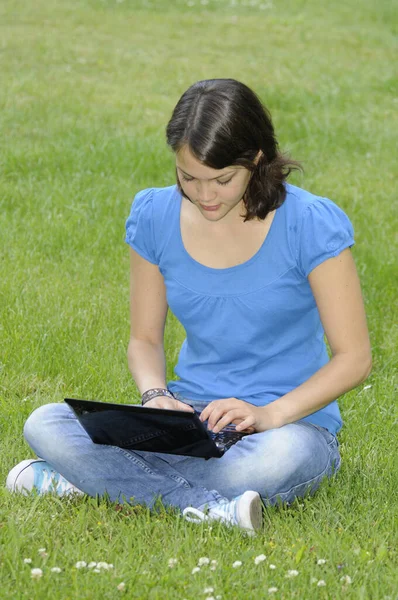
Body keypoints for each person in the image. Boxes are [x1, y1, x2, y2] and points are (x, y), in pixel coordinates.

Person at [6, 79, 372, 534]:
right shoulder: (154, 215)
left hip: (289, 425)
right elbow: (143, 340)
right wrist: (157, 396)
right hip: (190, 420)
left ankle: (91, 481)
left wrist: (268, 415)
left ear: (255, 158)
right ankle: (208, 505)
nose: (205, 196)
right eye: (189, 178)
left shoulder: (310, 223)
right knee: (46, 423)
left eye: (222, 179)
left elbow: (354, 358)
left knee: (277, 462)